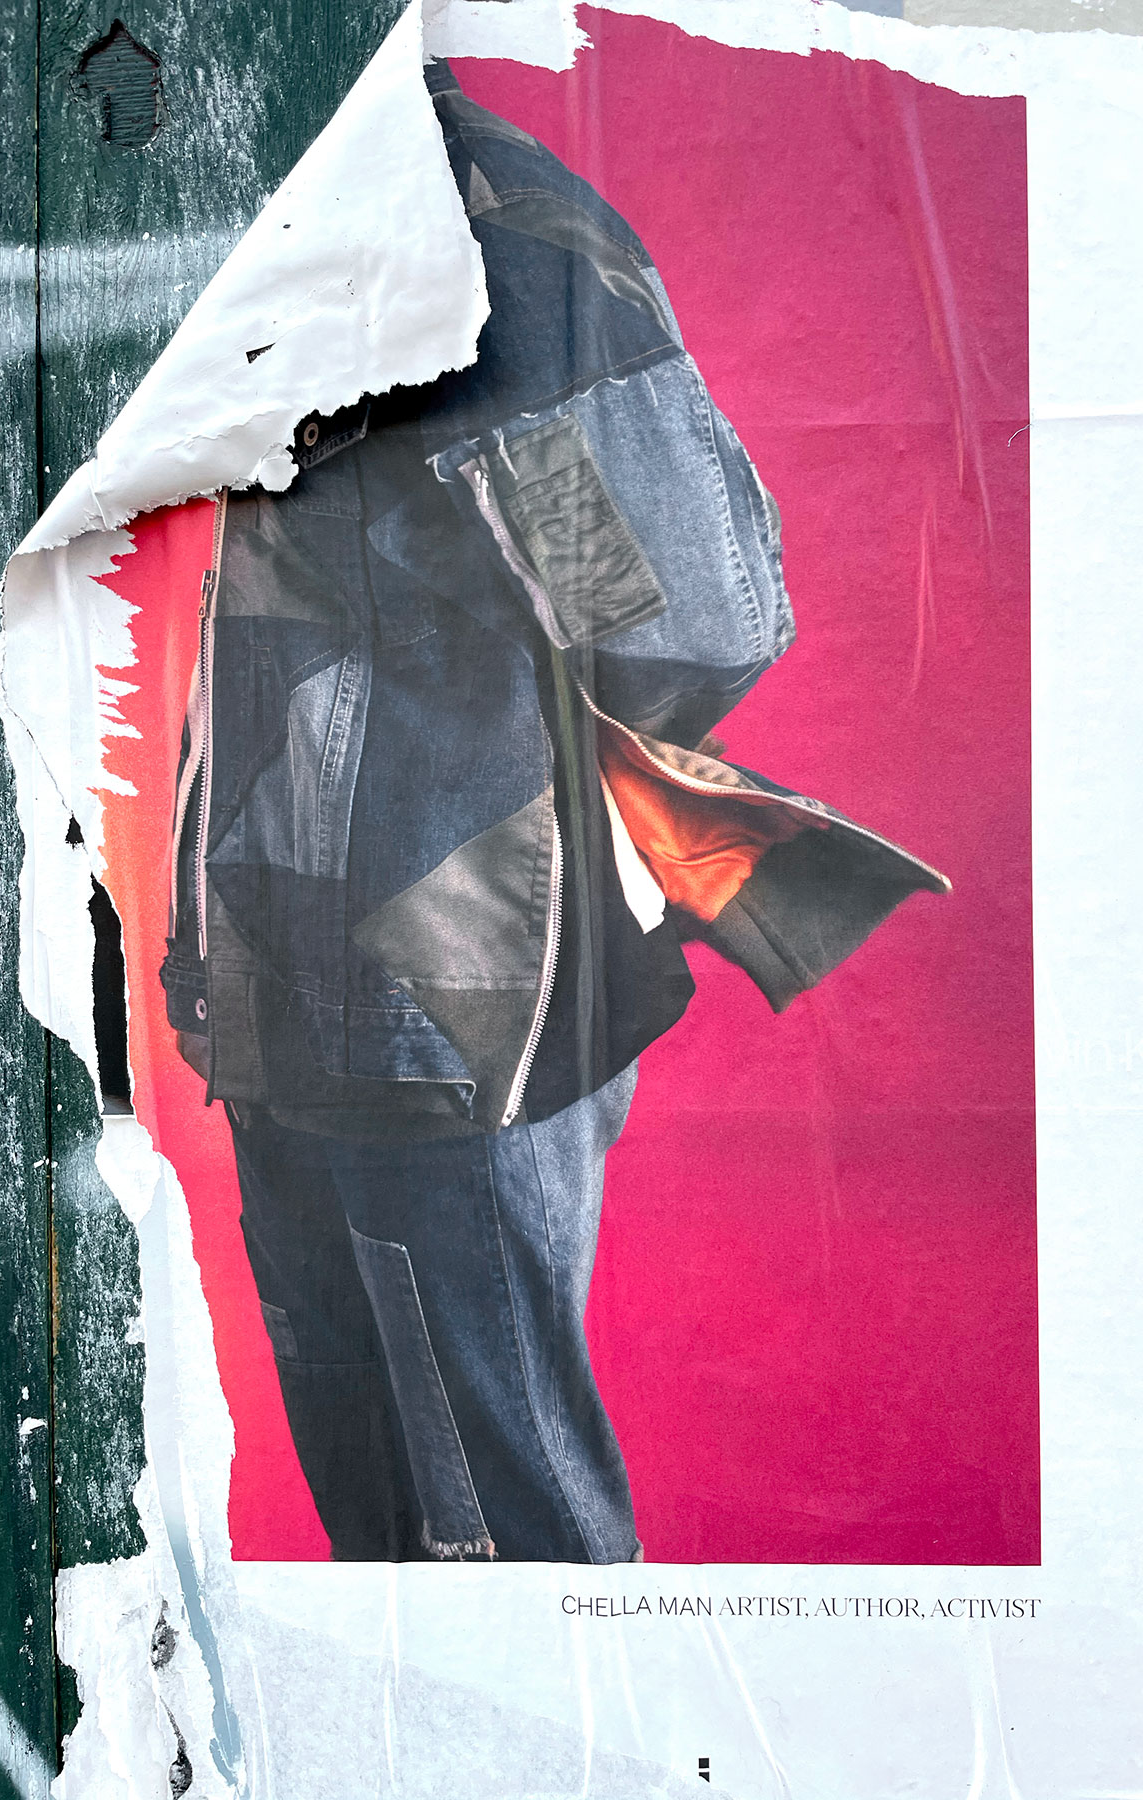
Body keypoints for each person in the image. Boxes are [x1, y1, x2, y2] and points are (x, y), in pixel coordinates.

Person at [160, 61, 946, 1561]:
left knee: (503, 1553)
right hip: (290, 1003)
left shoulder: (481, 242)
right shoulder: (302, 214)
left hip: (444, 1010)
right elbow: (283, 625)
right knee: (387, 1565)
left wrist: (524, 559)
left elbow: (681, 621)